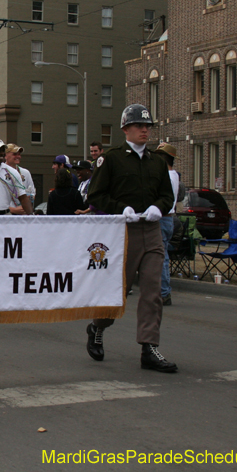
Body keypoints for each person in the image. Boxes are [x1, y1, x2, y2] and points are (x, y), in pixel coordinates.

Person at [86, 103, 177, 373]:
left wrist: (158, 208)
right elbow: (96, 195)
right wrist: (119, 209)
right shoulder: (111, 159)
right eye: (139, 125)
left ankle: (149, 347)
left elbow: (167, 196)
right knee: (118, 291)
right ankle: (97, 327)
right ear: (125, 128)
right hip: (122, 232)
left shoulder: (157, 162)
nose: (144, 130)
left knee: (152, 291)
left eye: (147, 126)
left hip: (150, 230)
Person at [154, 143, 180, 307]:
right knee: (162, 256)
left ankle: (164, 293)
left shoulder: (168, 177)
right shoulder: (174, 175)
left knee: (161, 256)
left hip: (163, 217)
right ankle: (162, 290)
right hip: (168, 218)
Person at [4, 144, 35, 215]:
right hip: (7, 214)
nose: (18, 156)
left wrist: (28, 200)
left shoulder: (25, 173)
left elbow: (32, 193)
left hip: (23, 214)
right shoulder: (0, 172)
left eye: (19, 154)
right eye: (15, 154)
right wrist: (13, 209)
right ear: (5, 156)